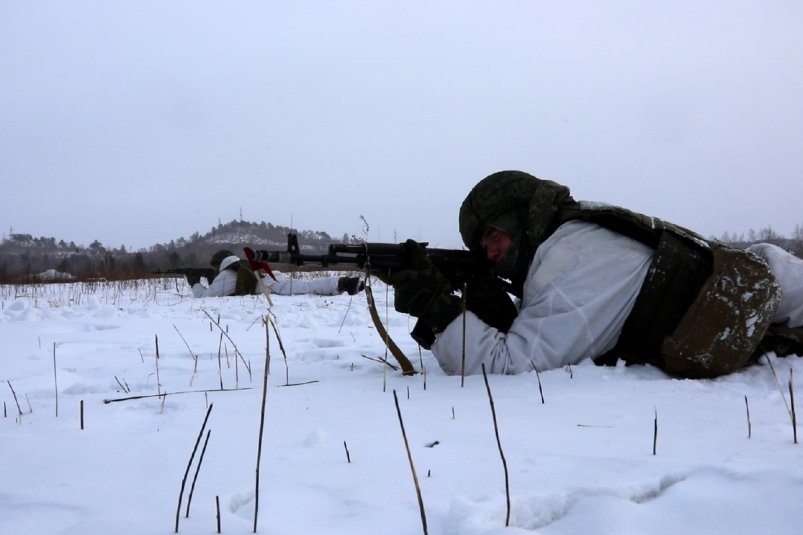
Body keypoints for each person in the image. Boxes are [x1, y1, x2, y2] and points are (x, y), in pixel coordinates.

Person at [382, 170, 803, 378]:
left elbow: (509, 368)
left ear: (519, 220)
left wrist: (438, 309)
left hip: (756, 297)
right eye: (481, 248)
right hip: (759, 282)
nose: (490, 254)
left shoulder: (566, 259)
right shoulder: (577, 233)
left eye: (493, 236)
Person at [188, 249, 364, 298]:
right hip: (274, 279)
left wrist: (194, 283)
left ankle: (344, 283)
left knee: (306, 287)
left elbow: (206, 297)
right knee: (305, 286)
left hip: (272, 285)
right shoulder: (239, 266)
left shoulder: (226, 274)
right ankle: (344, 283)